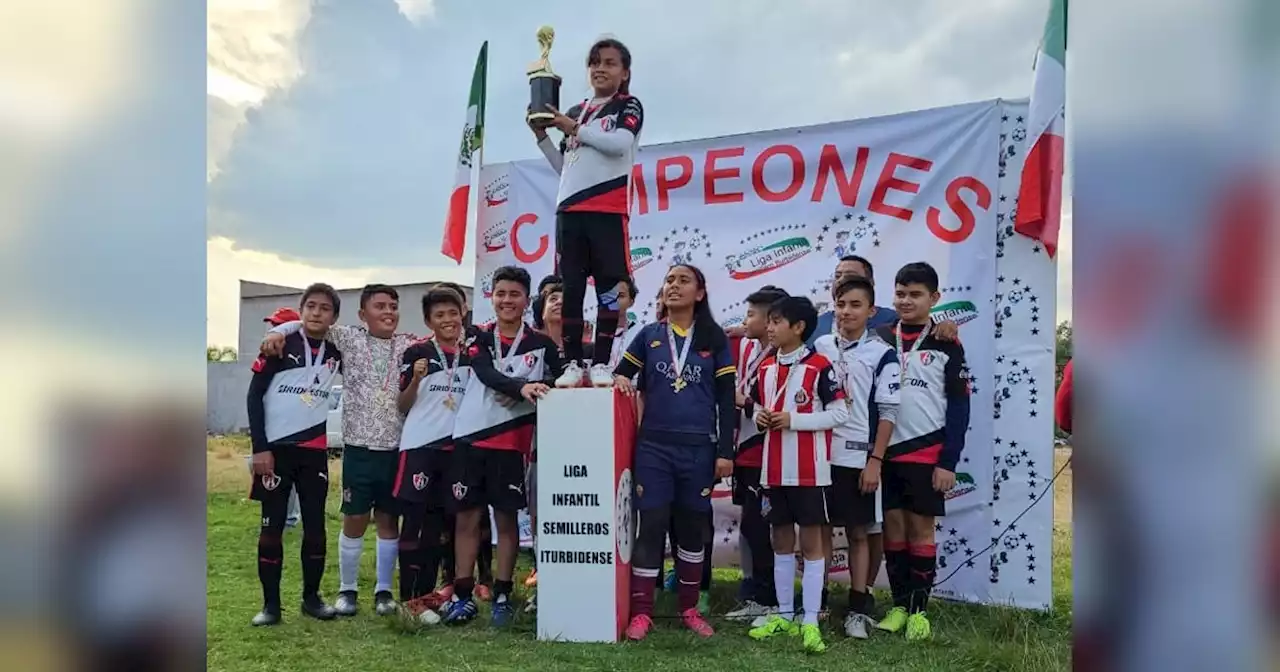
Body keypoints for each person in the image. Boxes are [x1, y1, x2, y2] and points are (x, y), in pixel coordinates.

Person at [262, 284, 416, 617]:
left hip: (394, 448)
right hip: (358, 450)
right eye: (379, 306)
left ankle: (384, 591)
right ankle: (348, 591)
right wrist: (279, 329)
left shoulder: (408, 344)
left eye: (393, 306)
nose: (388, 312)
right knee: (355, 519)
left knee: (389, 520)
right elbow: (310, 323)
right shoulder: (348, 339)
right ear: (362, 314)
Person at [612, 264, 736, 641]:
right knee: (649, 527)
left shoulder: (714, 339)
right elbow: (620, 374)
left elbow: (727, 400)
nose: (674, 286)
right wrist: (619, 379)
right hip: (653, 448)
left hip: (699, 449)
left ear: (700, 293)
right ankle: (642, 613)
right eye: (669, 280)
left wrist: (725, 452)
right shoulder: (647, 336)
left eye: (683, 281)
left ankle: (688, 609)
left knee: (691, 530)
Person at [443, 265, 560, 627]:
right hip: (470, 438)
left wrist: (530, 390)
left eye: (515, 294)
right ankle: (462, 595)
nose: (507, 300)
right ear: (491, 297)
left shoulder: (541, 344)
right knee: (467, 519)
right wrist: (519, 387)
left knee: (506, 521)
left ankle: (503, 594)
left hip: (511, 444)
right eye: (500, 293)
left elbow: (556, 381)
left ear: (528, 300)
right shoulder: (476, 334)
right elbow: (484, 372)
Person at [531, 37, 644, 389]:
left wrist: (573, 128)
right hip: (570, 210)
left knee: (609, 288)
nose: (600, 69)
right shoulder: (578, 111)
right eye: (595, 62)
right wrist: (542, 137)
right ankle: (573, 362)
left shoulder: (628, 105)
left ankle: (601, 362)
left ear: (624, 72)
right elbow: (564, 166)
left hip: (607, 208)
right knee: (572, 289)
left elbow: (619, 144)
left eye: (610, 63)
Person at [873, 262, 970, 642]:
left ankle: (919, 612)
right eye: (900, 293)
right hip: (885, 453)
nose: (906, 300)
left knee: (921, 530)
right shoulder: (879, 336)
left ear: (934, 299)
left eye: (915, 295)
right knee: (892, 530)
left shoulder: (947, 341)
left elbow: (960, 407)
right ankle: (898, 606)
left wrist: (948, 461)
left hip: (927, 452)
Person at [746, 296, 848, 654]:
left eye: (776, 322)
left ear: (798, 327)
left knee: (812, 543)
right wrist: (760, 416)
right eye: (768, 321)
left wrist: (795, 421)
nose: (769, 328)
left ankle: (810, 619)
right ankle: (785, 614)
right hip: (773, 470)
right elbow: (758, 403)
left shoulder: (820, 366)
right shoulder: (766, 367)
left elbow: (839, 414)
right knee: (780, 540)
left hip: (810, 472)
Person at [246, 284, 345, 626]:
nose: (317, 313)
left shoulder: (336, 349)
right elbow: (254, 397)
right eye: (311, 306)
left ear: (334, 317)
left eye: (325, 308)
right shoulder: (280, 344)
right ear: (302, 310)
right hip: (275, 452)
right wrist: (259, 448)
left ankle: (312, 598)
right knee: (271, 528)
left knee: (315, 528)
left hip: (314, 454)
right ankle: (270, 606)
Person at [812, 276, 900, 639]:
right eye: (841, 304)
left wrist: (875, 461)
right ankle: (814, 605)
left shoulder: (883, 353)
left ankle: (858, 609)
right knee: (819, 533)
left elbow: (888, 413)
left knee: (859, 534)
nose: (846, 312)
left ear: (871, 311)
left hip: (857, 460)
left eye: (855, 305)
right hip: (818, 457)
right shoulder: (818, 346)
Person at [393, 287, 471, 624]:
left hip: (455, 450)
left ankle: (430, 596)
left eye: (452, 313)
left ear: (462, 314)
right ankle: (409, 600)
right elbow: (402, 405)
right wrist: (415, 379)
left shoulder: (472, 353)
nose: (447, 320)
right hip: (420, 448)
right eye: (439, 315)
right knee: (414, 525)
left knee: (441, 528)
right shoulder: (417, 352)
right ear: (429, 320)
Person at [724, 285, 789, 625]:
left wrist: (744, 401)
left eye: (752, 315)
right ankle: (756, 590)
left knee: (762, 525)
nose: (745, 320)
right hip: (745, 451)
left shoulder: (784, 357)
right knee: (750, 525)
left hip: (767, 450)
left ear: (772, 321)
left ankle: (767, 597)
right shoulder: (749, 347)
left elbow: (777, 408)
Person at [254, 307, 303, 528]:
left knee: (288, 477)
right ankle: (275, 516)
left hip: (292, 433)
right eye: (272, 325)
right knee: (265, 471)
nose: (272, 329)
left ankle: (289, 518)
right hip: (268, 428)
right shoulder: (270, 352)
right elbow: (255, 395)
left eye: (278, 325)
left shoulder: (299, 352)